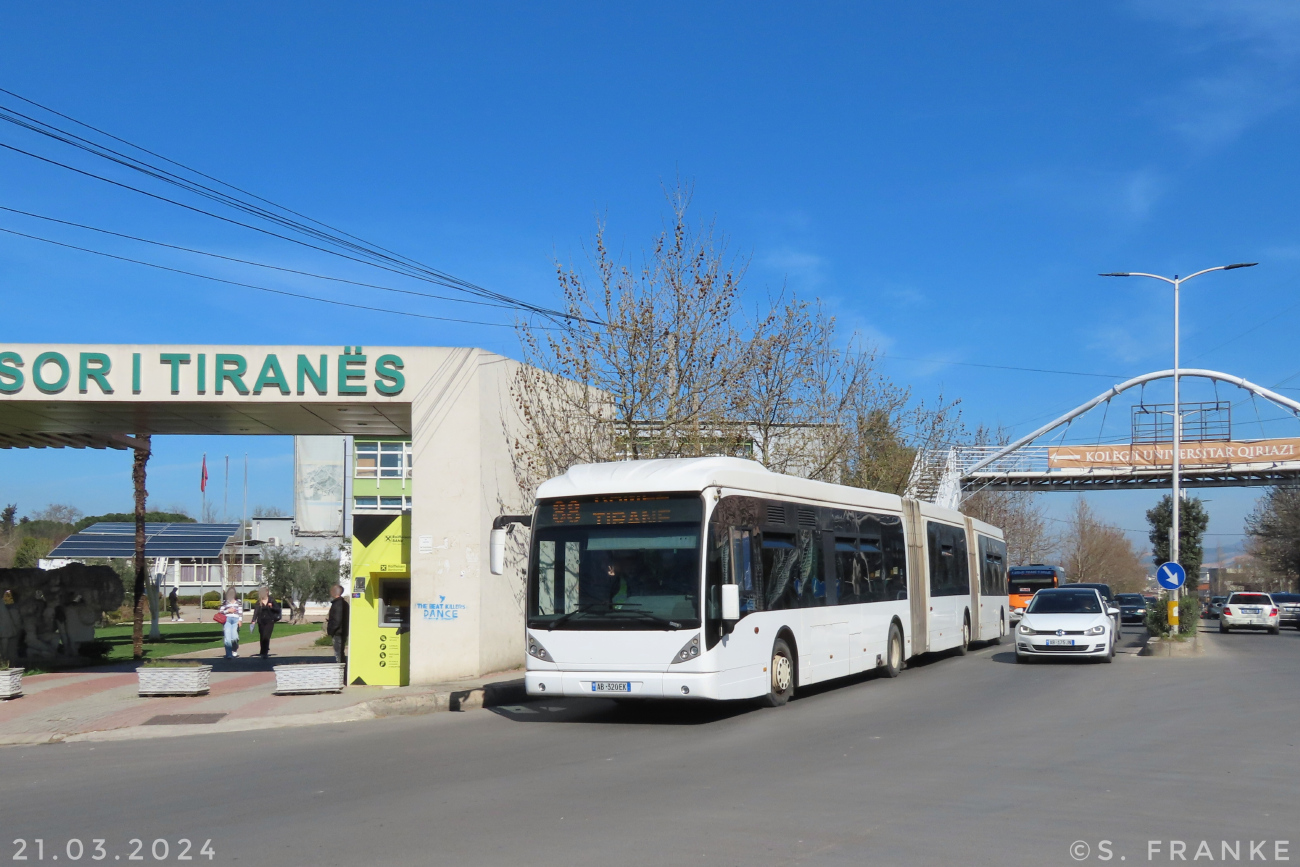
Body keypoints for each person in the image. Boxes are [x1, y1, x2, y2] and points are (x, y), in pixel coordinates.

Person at [253, 588, 281, 659]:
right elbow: (256, 612)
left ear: (267, 592)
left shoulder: (271, 600)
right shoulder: (258, 602)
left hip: (270, 620)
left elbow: (278, 609)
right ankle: (263, 650)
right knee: (262, 636)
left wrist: (272, 607)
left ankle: (265, 652)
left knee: (266, 636)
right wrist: (253, 620)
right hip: (261, 621)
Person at [326, 584, 349, 664]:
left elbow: (337, 620)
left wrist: (331, 630)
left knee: (338, 654)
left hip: (338, 633)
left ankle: (340, 671)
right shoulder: (344, 603)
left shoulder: (337, 604)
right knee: (340, 652)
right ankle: (342, 669)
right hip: (342, 632)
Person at [219, 589, 243, 659]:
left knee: (234, 637)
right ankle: (229, 654)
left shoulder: (238, 602)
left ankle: (234, 648)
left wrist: (240, 620)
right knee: (227, 638)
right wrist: (228, 610)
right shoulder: (225, 602)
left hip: (235, 620)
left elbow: (240, 612)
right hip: (227, 620)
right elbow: (220, 611)